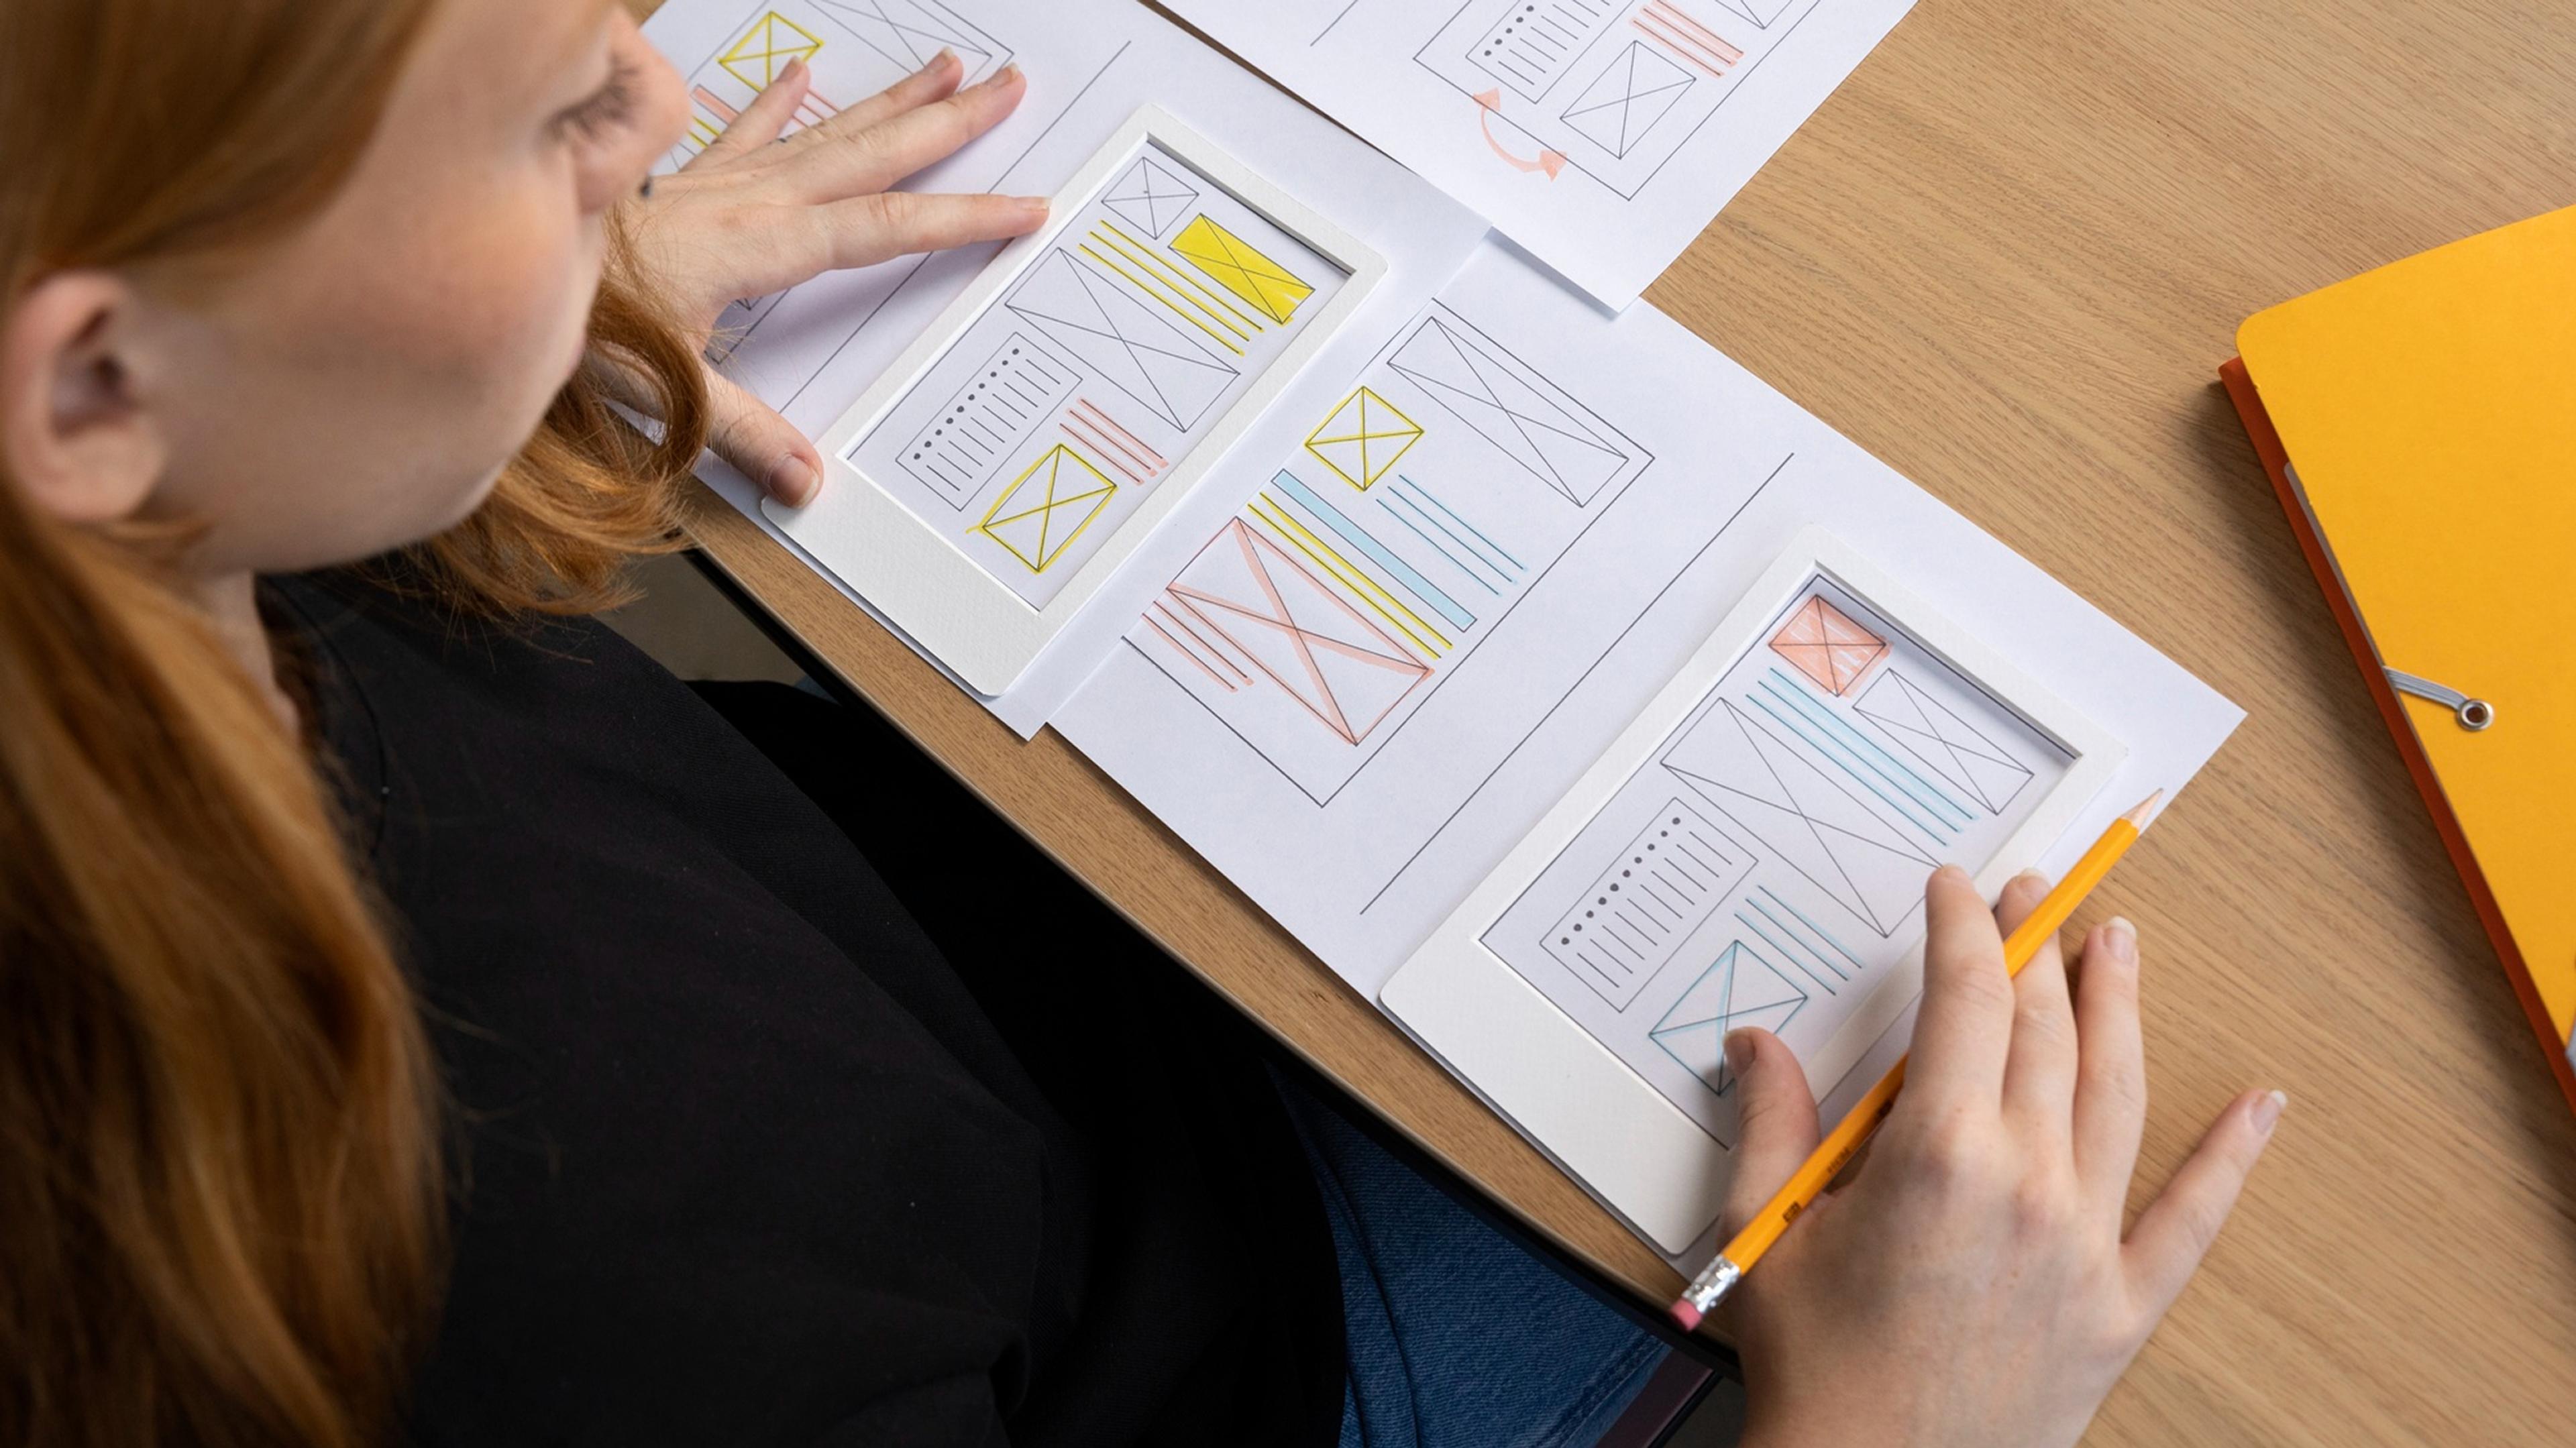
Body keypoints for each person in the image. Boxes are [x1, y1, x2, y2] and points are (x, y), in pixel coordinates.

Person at [0, 1, 2282, 1444]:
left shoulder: (141, 582)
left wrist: (500, 351)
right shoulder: (532, 1289)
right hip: (1213, 1329)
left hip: (980, 1026)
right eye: (554, 108)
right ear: (92, 382)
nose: (665, 98)